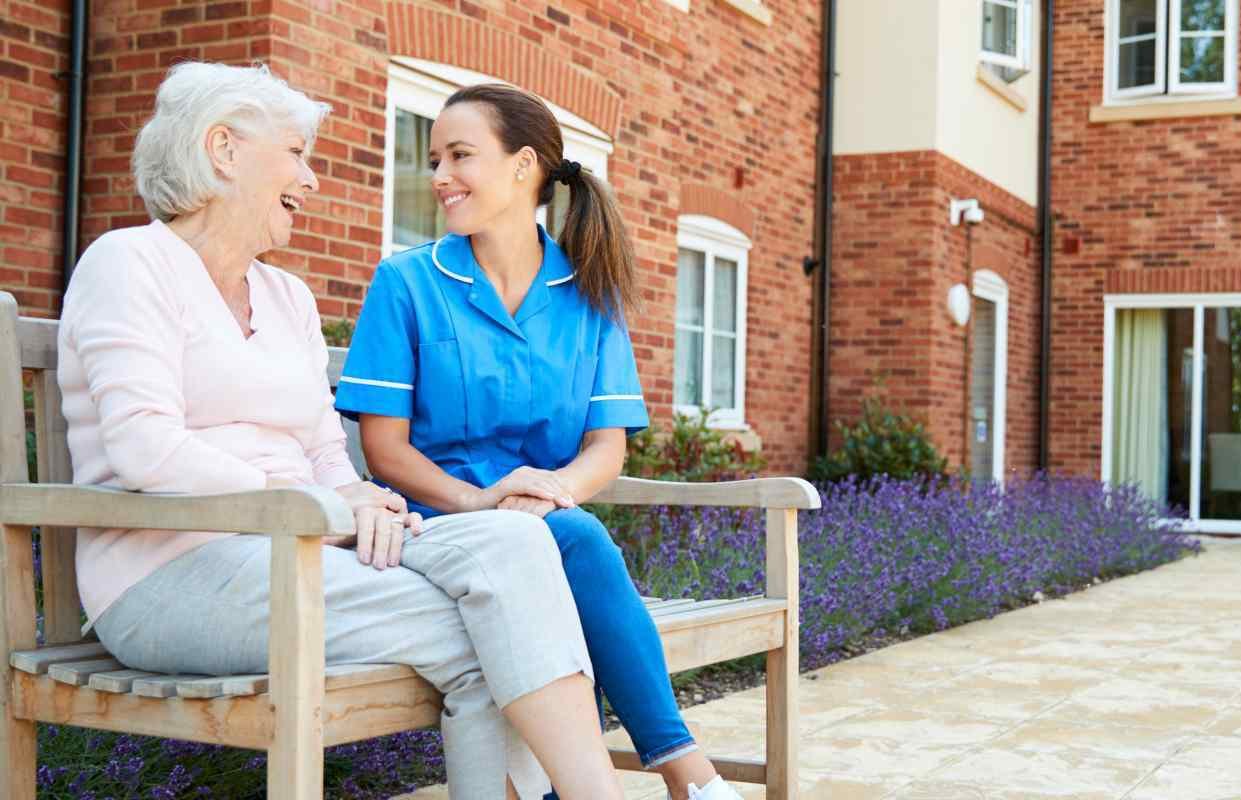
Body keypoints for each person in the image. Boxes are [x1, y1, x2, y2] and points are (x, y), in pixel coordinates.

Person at [57, 61, 623, 800]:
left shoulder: (285, 293)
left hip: (301, 549)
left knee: (517, 544)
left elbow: (325, 445)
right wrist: (316, 507)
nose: (312, 177)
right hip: (168, 574)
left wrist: (359, 494)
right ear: (223, 151)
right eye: (295, 153)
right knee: (497, 630)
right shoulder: (130, 263)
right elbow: (144, 446)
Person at [335, 83, 740, 800]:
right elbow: (386, 452)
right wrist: (486, 500)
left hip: (546, 522)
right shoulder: (405, 282)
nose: (438, 177)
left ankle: (562, 789)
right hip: (433, 524)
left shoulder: (590, 293)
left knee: (564, 543)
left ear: (524, 166)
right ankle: (686, 770)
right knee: (577, 544)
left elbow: (605, 448)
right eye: (435, 158)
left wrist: (547, 496)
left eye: (461, 155)